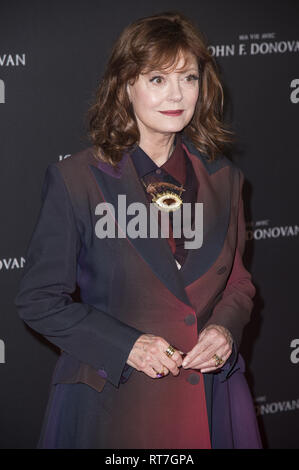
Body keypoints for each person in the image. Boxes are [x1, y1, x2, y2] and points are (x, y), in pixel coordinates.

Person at [15, 11, 262, 449]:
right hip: (115, 404)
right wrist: (127, 345)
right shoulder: (77, 180)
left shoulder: (225, 180)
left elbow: (239, 282)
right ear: (126, 84)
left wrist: (225, 331)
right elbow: (38, 300)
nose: (176, 95)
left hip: (210, 399)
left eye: (188, 78)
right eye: (157, 79)